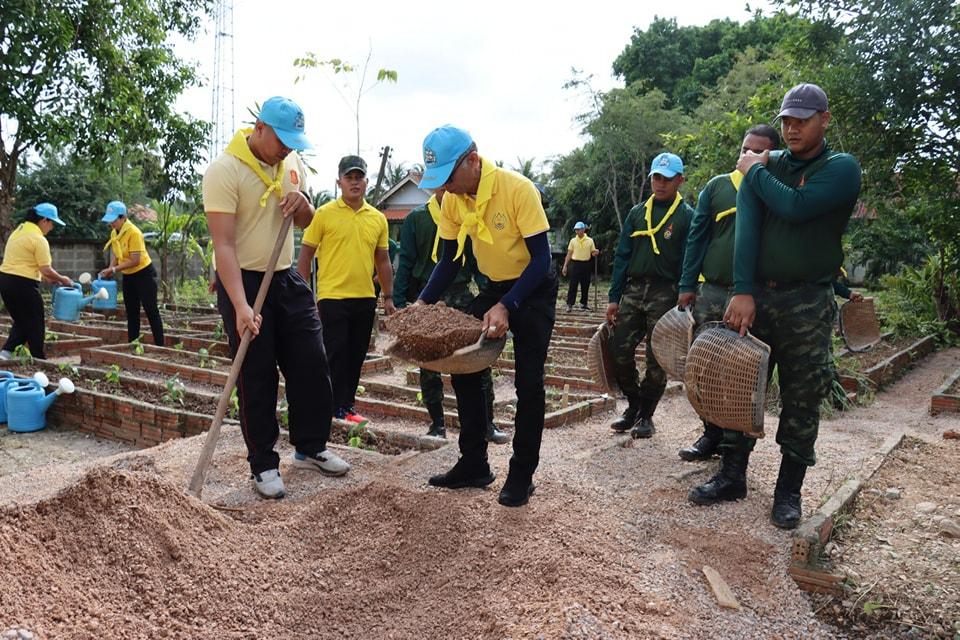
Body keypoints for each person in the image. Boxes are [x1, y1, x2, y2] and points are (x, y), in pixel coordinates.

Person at [715, 83, 862, 528]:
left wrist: (753, 171)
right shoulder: (769, 163)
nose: (792, 128)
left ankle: (788, 492)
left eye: (802, 120)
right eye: (786, 121)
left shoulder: (840, 168)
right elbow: (747, 228)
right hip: (757, 295)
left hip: (808, 301)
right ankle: (731, 474)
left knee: (802, 395)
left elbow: (797, 207)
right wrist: (742, 290)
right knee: (740, 385)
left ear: (825, 119)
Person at [203, 96, 349, 499]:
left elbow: (305, 220)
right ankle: (263, 464)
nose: (287, 148)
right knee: (256, 372)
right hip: (244, 281)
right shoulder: (224, 171)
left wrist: (304, 205)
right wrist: (240, 305)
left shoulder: (292, 163)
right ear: (259, 128)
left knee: (312, 361)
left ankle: (310, 447)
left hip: (285, 276)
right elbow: (223, 245)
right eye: (281, 139)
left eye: (293, 141)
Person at [416, 124, 556, 508]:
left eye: (448, 177)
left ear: (473, 161)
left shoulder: (517, 189)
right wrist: (422, 304)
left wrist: (507, 305)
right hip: (495, 286)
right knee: (463, 364)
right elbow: (449, 260)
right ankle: (474, 463)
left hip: (534, 288)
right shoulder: (453, 200)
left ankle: (522, 473)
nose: (444, 187)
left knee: (529, 382)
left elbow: (542, 260)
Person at [676, 125, 781, 465]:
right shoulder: (717, 186)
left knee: (741, 374)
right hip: (713, 291)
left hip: (753, 294)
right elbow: (697, 237)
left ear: (772, 155)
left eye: (758, 151)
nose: (748, 155)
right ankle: (711, 434)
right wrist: (687, 285)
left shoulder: (775, 187)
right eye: (745, 149)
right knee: (704, 367)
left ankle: (735, 454)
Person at [393, 187, 507, 444]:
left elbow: (477, 259)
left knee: (478, 360)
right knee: (428, 365)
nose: (446, 187)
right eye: (440, 182)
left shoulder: (467, 213)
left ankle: (487, 423)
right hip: (427, 298)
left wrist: (491, 294)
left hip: (461, 296)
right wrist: (399, 302)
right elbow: (406, 261)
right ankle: (437, 424)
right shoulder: (417, 219)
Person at [297, 155, 395, 427]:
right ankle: (330, 407)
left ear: (366, 182)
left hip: (365, 297)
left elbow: (383, 260)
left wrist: (388, 296)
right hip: (332, 297)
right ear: (339, 181)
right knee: (335, 353)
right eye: (348, 177)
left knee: (356, 354)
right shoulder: (324, 214)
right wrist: (302, 294)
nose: (354, 182)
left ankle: (346, 406)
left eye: (358, 177)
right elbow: (306, 255)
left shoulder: (377, 219)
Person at [607, 153, 694, 439]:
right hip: (634, 290)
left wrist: (686, 291)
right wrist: (614, 297)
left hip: (666, 292)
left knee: (658, 359)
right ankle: (633, 405)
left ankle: (646, 415)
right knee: (619, 351)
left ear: (680, 180)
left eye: (667, 179)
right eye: (656, 177)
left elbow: (690, 257)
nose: (661, 183)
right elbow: (622, 256)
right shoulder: (637, 213)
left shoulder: (687, 216)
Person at [0, 203, 73, 360]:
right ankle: (39, 358)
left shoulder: (19, 231)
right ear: (44, 220)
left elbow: (27, 262)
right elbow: (46, 269)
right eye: (52, 223)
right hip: (22, 283)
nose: (52, 227)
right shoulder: (38, 238)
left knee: (23, 319)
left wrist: (48, 279)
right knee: (35, 320)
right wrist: (63, 279)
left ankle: (6, 353)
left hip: (5, 280)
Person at [98, 200, 165, 346]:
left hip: (144, 274)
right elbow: (117, 254)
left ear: (123, 218)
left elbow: (135, 260)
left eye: (114, 220)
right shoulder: (114, 232)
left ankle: (160, 345)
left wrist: (114, 270)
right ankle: (133, 344)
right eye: (109, 221)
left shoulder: (134, 233)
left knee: (151, 310)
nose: (111, 223)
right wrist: (110, 267)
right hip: (128, 275)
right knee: (132, 312)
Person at [562, 221, 599, 312]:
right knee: (573, 284)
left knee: (585, 284)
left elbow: (592, 253)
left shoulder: (590, 240)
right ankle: (570, 304)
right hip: (575, 264)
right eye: (576, 230)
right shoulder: (573, 241)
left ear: (583, 230)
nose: (577, 231)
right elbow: (569, 254)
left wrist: (595, 253)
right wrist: (565, 266)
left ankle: (584, 303)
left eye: (578, 229)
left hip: (586, 264)